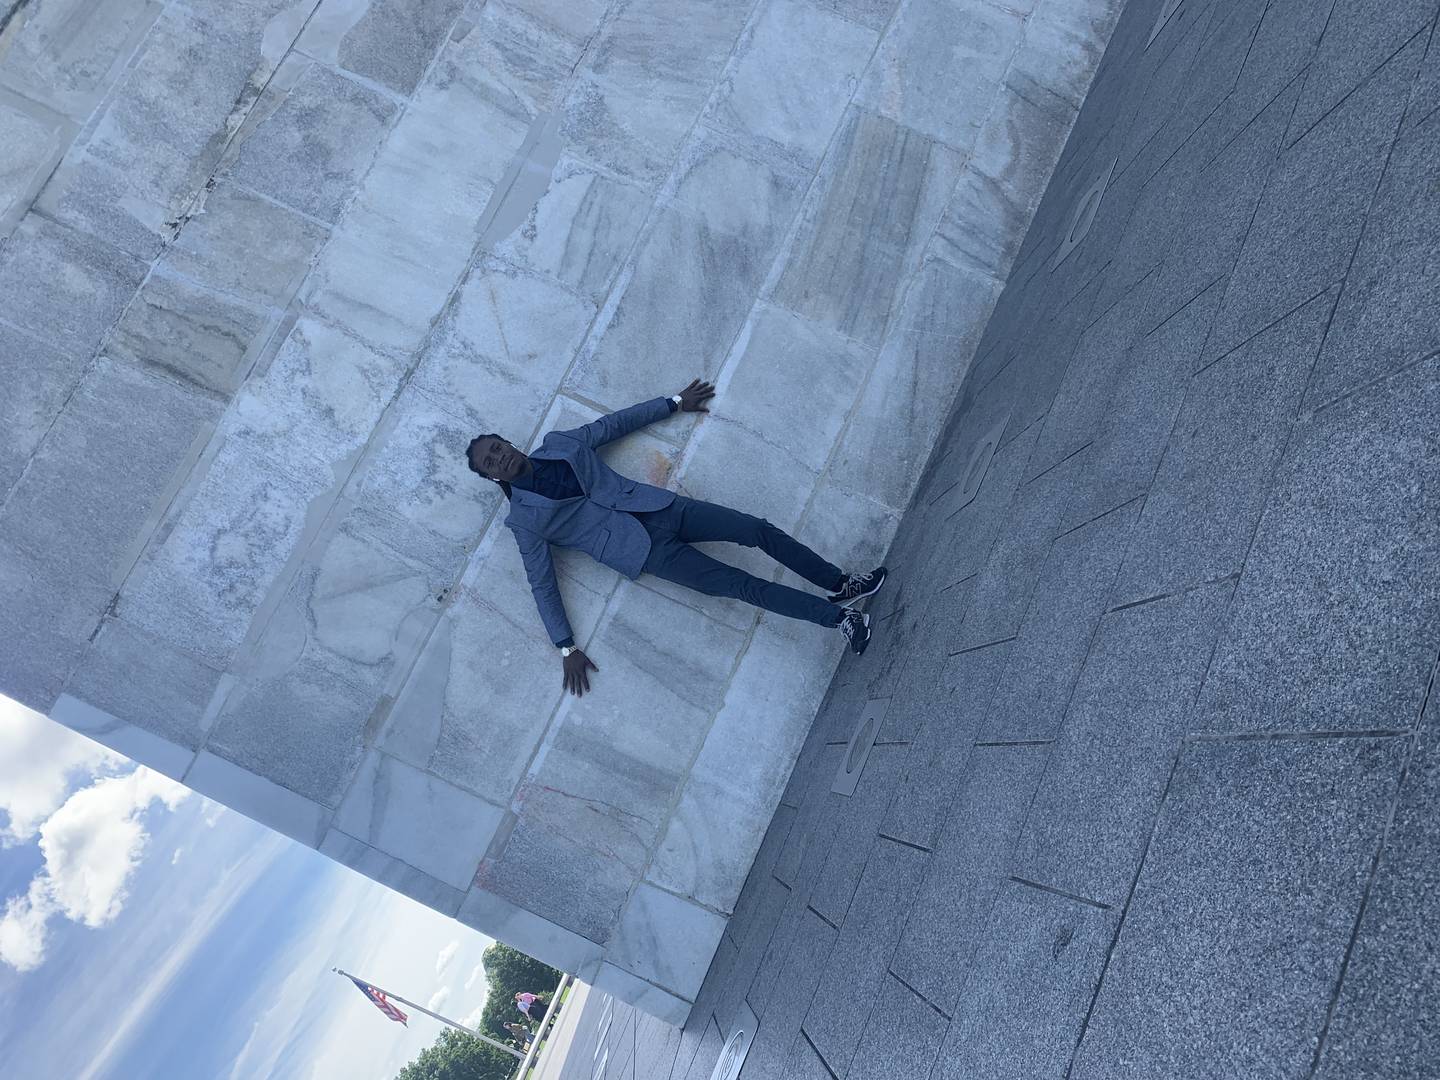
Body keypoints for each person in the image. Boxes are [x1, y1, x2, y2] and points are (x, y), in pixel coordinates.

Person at [466, 380, 886, 696]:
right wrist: (564, 646)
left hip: (663, 508)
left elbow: (612, 425)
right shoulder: (523, 522)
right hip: (646, 553)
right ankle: (841, 619)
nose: (500, 455)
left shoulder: (560, 444)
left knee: (755, 529)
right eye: (491, 461)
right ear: (491, 476)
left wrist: (673, 403)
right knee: (743, 586)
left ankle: (839, 584)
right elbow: (542, 583)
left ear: (508, 443)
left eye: (498, 447)